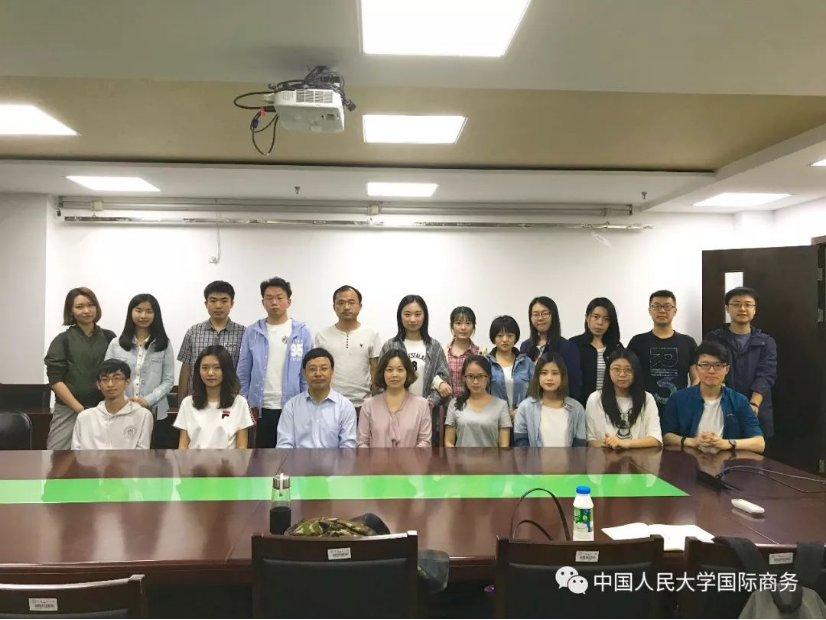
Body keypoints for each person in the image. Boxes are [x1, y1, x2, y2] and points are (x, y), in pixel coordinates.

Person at [237, 277, 314, 448]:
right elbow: (243, 371)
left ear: (289, 301)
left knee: (292, 455)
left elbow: (307, 372)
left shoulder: (302, 332)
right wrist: (244, 402)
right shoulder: (252, 332)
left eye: (279, 297)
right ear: (263, 302)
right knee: (262, 456)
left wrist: (307, 402)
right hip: (260, 407)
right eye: (269, 298)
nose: (274, 302)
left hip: (293, 405)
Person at [44, 287, 117, 450]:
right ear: (70, 311)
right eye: (79, 307)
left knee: (102, 458)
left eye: (90, 305)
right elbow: (55, 380)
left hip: (103, 409)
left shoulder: (109, 337)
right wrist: (79, 408)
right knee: (57, 456)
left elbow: (117, 373)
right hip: (68, 410)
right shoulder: (62, 340)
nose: (86, 311)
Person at [662, 341, 765, 454]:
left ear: (727, 369)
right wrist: (692, 441)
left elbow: (759, 443)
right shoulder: (678, 399)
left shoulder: (739, 401)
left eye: (718, 365)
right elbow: (666, 437)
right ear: (696, 368)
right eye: (705, 365)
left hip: (727, 461)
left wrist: (726, 443)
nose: (711, 371)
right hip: (688, 460)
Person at [105, 293, 176, 448]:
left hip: (155, 413)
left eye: (149, 311)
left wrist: (147, 400)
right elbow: (107, 377)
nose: (143, 315)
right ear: (131, 312)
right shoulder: (116, 344)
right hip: (121, 411)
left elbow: (168, 380)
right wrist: (124, 400)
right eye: (138, 310)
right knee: (123, 457)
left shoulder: (164, 344)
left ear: (155, 315)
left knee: (156, 458)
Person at [704, 287, 777, 437]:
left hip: (756, 407)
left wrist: (754, 403)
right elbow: (710, 369)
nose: (742, 309)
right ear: (727, 308)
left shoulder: (766, 341)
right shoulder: (714, 338)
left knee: (756, 448)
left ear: (754, 309)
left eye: (748, 304)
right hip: (721, 405)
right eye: (736, 304)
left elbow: (766, 374)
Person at [379, 295, 450, 444]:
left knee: (423, 454)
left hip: (426, 414)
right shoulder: (390, 345)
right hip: (393, 413)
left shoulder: (434, 347)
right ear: (400, 316)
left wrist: (428, 404)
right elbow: (380, 380)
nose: (412, 319)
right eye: (407, 314)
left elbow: (443, 377)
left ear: (425, 316)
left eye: (418, 314)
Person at [627, 290, 698, 415]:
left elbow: (696, 378)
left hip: (679, 410)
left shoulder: (688, 342)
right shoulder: (637, 342)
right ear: (650, 310)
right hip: (643, 410)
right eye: (656, 306)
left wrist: (690, 402)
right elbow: (628, 373)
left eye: (667, 306)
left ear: (675, 311)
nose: (662, 310)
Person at [314, 285, 382, 412]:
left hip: (363, 404)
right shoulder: (322, 336)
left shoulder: (371, 334)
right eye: (341, 303)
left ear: (360, 306)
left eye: (351, 302)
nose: (346, 307)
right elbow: (317, 371)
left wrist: (376, 401)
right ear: (334, 307)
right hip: (330, 403)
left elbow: (375, 370)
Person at [177, 281, 245, 402]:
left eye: (224, 301)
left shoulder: (243, 333)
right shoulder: (193, 332)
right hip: (197, 399)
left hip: (231, 399)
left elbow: (245, 370)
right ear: (206, 304)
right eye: (213, 301)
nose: (218, 306)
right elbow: (186, 368)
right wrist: (181, 402)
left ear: (232, 304)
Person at [175, 345, 254, 449]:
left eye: (217, 368)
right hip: (194, 459)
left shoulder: (240, 403)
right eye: (205, 368)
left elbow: (241, 448)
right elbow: (182, 446)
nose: (210, 373)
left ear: (226, 370)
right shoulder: (187, 403)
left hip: (228, 459)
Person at [276, 348, 357, 449]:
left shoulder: (345, 406)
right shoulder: (291, 406)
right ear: (304, 373)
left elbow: (348, 448)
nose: (318, 374)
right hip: (299, 459)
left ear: (332, 372)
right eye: (312, 369)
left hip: (334, 460)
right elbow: (284, 446)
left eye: (324, 368)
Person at [586, 349, 662, 449]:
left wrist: (625, 443)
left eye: (628, 370)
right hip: (605, 456)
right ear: (608, 371)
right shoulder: (595, 399)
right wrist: (606, 444)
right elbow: (590, 440)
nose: (622, 374)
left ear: (636, 372)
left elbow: (655, 439)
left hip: (639, 457)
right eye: (616, 369)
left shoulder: (647, 398)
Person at [71, 359, 153, 450]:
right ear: (98, 384)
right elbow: (76, 452)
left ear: (127, 382)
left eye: (116, 378)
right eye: (105, 379)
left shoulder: (143, 416)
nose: (110, 384)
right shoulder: (84, 417)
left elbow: (142, 452)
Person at [357, 350, 431, 448]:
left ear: (407, 373)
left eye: (400, 370)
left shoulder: (422, 405)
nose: (394, 374)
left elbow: (425, 442)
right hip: (376, 458)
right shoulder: (368, 405)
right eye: (389, 370)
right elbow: (362, 442)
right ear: (382, 373)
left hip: (412, 458)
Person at [513, 352, 586, 447]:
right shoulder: (525, 407)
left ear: (562, 376)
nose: (549, 378)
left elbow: (579, 447)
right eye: (544, 373)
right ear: (537, 376)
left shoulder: (577, 408)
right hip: (534, 457)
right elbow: (521, 445)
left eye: (555, 373)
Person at [519, 296, 582, 399]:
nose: (540, 318)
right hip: (530, 403)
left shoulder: (567, 347)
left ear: (553, 315)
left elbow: (574, 385)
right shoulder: (525, 346)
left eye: (545, 313)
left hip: (557, 403)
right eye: (536, 314)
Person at [444, 355, 511, 448]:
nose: (475, 382)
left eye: (480, 376)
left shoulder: (501, 405)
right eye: (470, 376)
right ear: (464, 378)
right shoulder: (455, 403)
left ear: (488, 377)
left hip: (491, 457)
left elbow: (504, 445)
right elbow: (448, 442)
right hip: (461, 457)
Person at [572, 297, 622, 406]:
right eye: (595, 317)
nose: (600, 322)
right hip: (579, 407)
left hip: (609, 407)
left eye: (606, 319)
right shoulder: (573, 345)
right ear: (587, 317)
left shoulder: (616, 347)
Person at [487, 315, 534, 417]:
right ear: (493, 338)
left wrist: (522, 409)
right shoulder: (486, 363)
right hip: (495, 418)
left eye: (509, 335)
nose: (505, 339)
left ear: (515, 337)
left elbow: (535, 392)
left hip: (523, 418)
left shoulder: (526, 362)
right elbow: (482, 393)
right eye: (500, 335)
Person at [443, 306, 489, 398]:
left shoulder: (481, 353)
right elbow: (433, 375)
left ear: (473, 326)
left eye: (468, 323)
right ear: (452, 326)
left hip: (474, 403)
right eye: (458, 323)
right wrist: (440, 383)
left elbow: (486, 381)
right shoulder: (442, 351)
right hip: (447, 404)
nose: (463, 328)